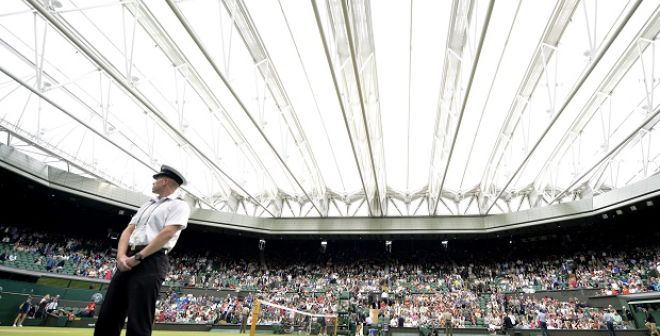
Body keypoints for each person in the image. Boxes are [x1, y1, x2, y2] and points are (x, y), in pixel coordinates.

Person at [94, 165, 191, 336]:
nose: (153, 182)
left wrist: (138, 257)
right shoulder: (147, 204)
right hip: (128, 257)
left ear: (165, 181)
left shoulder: (180, 205)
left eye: (156, 179)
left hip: (152, 259)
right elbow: (128, 230)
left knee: (139, 318)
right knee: (109, 313)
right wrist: (121, 256)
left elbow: (167, 233)